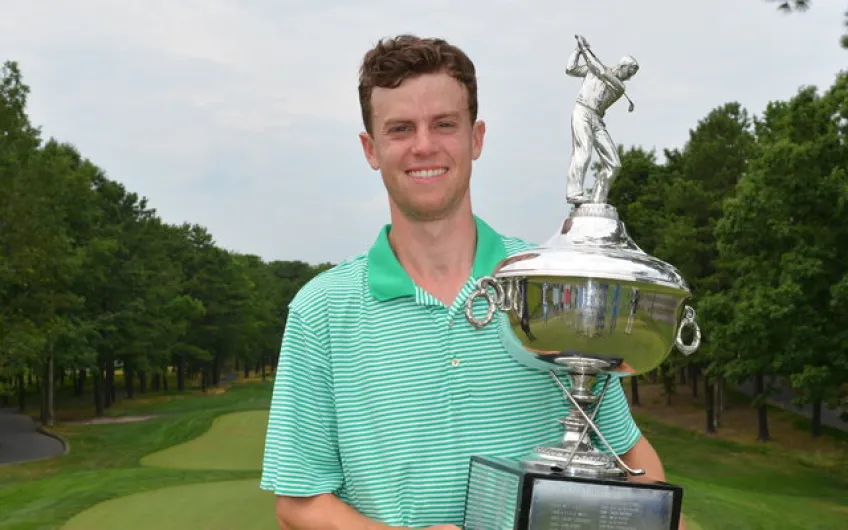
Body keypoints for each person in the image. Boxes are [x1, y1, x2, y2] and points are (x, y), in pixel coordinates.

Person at [260, 34, 681, 530]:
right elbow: (298, 502)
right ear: (370, 149)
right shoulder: (322, 310)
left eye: (444, 124)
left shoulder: (547, 287)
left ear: (476, 138)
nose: (423, 146)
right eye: (400, 129)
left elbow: (633, 463)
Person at [565, 35, 639, 205]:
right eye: (630, 72)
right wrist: (577, 51)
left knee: (614, 164)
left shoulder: (620, 87)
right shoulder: (594, 69)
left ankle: (598, 200)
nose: (630, 77)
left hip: (597, 119)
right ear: (622, 66)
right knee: (583, 152)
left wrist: (585, 49)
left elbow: (601, 71)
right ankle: (574, 192)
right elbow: (570, 69)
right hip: (582, 111)